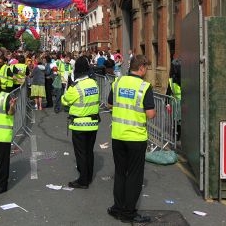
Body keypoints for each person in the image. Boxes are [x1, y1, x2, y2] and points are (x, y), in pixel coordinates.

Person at [107, 55, 156, 223]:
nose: (147, 71)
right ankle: (129, 213)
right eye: (147, 68)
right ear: (141, 67)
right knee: (134, 175)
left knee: (120, 172)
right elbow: (150, 114)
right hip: (135, 137)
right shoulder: (144, 86)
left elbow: (109, 104)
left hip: (118, 135)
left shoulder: (118, 82)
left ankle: (117, 208)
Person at [61, 56, 100, 189]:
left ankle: (83, 180)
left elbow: (65, 100)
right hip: (93, 123)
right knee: (89, 151)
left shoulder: (75, 87)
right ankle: (88, 175)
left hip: (79, 125)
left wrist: (67, 87)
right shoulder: (94, 83)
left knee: (81, 153)